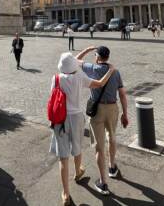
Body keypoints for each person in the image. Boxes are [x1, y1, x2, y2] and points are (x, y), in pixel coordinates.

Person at [50, 52, 116, 205]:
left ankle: (66, 194)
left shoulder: (56, 78)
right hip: (77, 117)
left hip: (60, 118)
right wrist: (111, 70)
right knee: (77, 147)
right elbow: (99, 83)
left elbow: (52, 97)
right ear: (73, 65)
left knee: (63, 157)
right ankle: (78, 171)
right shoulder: (79, 76)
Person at [77, 46, 128, 196]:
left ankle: (103, 182)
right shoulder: (116, 72)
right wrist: (125, 114)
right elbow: (123, 95)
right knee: (112, 137)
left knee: (99, 147)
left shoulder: (91, 68)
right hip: (113, 108)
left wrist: (87, 49)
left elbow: (75, 60)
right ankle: (112, 167)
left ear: (98, 57)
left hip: (97, 110)